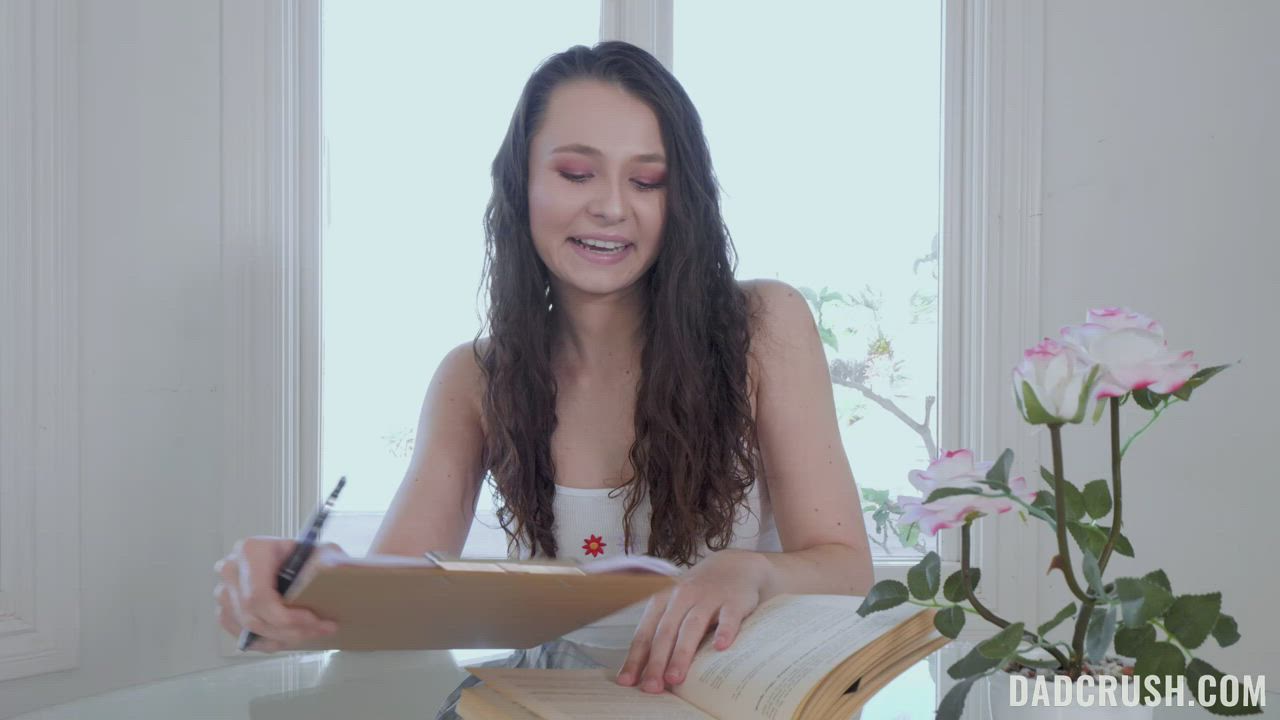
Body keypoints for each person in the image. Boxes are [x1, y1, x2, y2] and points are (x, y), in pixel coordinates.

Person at [213, 40, 873, 699]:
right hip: (551, 700)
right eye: (576, 173)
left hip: (728, 694)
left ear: (683, 203)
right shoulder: (474, 380)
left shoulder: (764, 325)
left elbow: (848, 567)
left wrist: (750, 571)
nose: (612, 206)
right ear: (521, 184)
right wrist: (302, 586)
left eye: (647, 180)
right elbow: (394, 605)